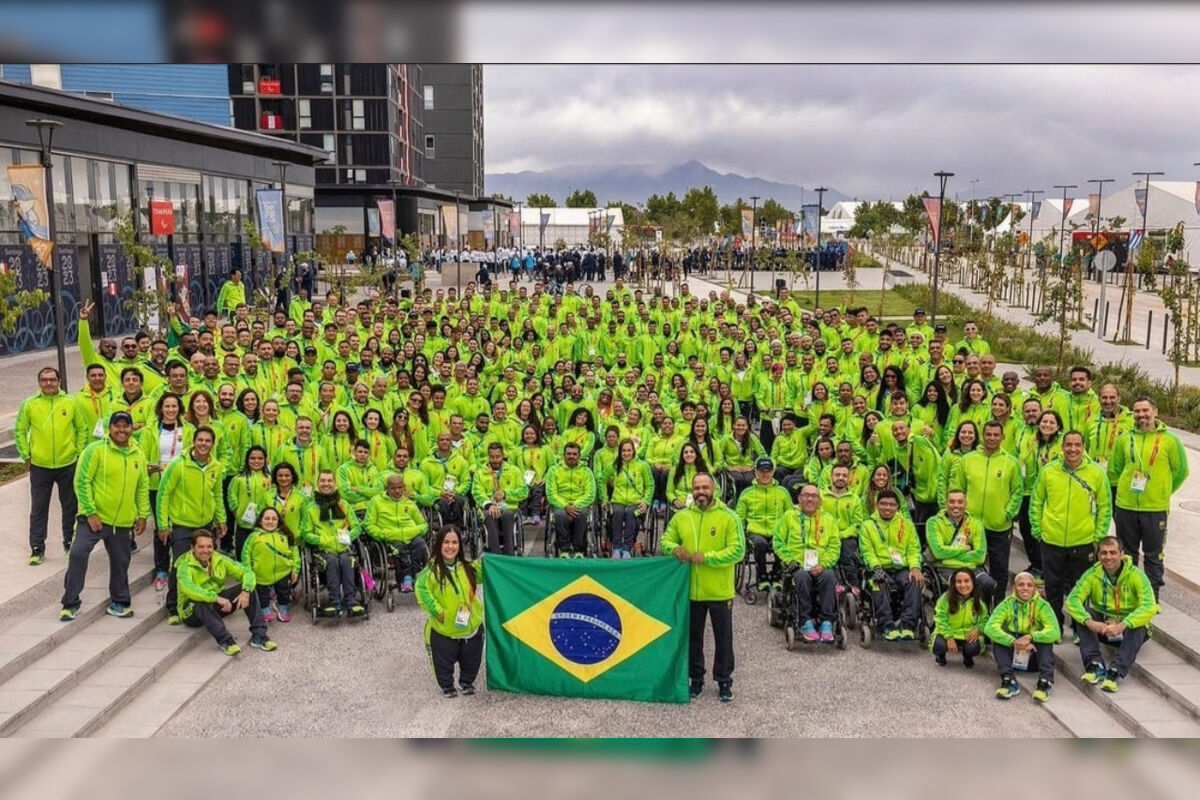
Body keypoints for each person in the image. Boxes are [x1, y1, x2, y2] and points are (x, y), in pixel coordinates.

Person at [659, 472, 745, 703]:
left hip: (719, 590)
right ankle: (695, 679)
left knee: (723, 638)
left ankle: (724, 681)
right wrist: (673, 549)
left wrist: (707, 557)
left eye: (705, 487)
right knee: (693, 638)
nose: (701, 492)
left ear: (714, 489)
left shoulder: (729, 517)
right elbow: (665, 540)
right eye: (697, 488)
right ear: (691, 490)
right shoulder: (682, 517)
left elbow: (737, 551)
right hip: (691, 591)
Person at [59, 412, 149, 621]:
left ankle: (119, 602)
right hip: (93, 519)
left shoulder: (138, 453)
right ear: (109, 428)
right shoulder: (95, 450)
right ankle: (70, 602)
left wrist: (143, 514)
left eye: (125, 426)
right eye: (116, 426)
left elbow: (142, 486)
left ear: (131, 428)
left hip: (122, 522)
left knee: (121, 562)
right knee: (78, 554)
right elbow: (82, 482)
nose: (121, 430)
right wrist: (90, 512)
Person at [1107, 396, 1188, 599]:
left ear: (1155, 412)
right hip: (1126, 506)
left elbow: (1181, 471)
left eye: (1145, 411)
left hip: (1155, 508)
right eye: (1137, 411)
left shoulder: (1170, 440)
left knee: (1153, 554)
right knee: (1127, 553)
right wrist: (1124, 491)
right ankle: (1129, 593)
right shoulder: (1124, 438)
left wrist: (1163, 490)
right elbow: (1114, 469)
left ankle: (1152, 595)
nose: (1141, 415)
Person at [1030, 430, 1112, 629]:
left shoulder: (1096, 472)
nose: (1072, 449)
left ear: (1083, 447)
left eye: (1077, 445)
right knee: (1053, 585)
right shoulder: (1049, 470)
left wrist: (1098, 536)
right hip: (1052, 539)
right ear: (1062, 446)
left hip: (1083, 541)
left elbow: (1105, 506)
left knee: (1080, 587)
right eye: (1069, 445)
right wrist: (1038, 529)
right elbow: (1037, 501)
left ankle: (1079, 627)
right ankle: (1054, 623)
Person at [1066, 536, 1160, 693]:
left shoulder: (1136, 575)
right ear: (1098, 555)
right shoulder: (1092, 573)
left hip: (1126, 629)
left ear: (1122, 554)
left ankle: (1116, 671)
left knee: (1140, 625)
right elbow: (1072, 600)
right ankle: (1095, 666)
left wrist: (1122, 625)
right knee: (1084, 615)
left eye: (1112, 553)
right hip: (1104, 627)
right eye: (1103, 553)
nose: (1108, 557)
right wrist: (1091, 622)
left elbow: (1150, 606)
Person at [157, 427, 228, 625]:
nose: (204, 444)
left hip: (206, 524)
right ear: (194, 441)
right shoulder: (178, 465)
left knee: (203, 566)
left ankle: (198, 603)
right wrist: (163, 524)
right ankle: (173, 607)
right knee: (180, 566)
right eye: (200, 440)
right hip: (182, 524)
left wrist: (221, 519)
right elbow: (163, 494)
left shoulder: (216, 466)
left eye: (208, 441)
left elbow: (218, 495)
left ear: (212, 444)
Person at [17, 367, 84, 565]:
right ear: (39, 382)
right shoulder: (29, 404)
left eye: (52, 379)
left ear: (59, 381)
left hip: (67, 464)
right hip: (40, 466)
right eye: (44, 380)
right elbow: (20, 430)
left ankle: (69, 541)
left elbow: (82, 429)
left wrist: (78, 452)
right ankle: (37, 547)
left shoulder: (71, 402)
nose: (49, 383)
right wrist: (26, 453)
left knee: (70, 506)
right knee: (39, 508)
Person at [948, 420, 1022, 597]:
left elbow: (1017, 491)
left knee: (999, 569)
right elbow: (957, 487)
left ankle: (996, 607)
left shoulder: (1010, 463)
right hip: (970, 525)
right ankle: (971, 605)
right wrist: (961, 514)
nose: (992, 438)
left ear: (1002, 437)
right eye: (988, 434)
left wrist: (1008, 514)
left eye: (996, 435)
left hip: (999, 526)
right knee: (968, 568)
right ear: (982, 435)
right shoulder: (968, 460)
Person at [175, 529, 276, 655]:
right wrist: (216, 598)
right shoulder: (184, 566)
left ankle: (259, 636)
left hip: (217, 603)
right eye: (201, 547)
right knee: (200, 601)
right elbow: (191, 590)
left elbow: (247, 572)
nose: (205, 551)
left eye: (209, 546)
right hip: (191, 612)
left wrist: (245, 591)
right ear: (192, 547)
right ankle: (226, 641)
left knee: (248, 588)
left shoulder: (219, 559)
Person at [415, 525, 484, 698]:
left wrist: (489, 562)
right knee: (443, 662)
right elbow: (421, 589)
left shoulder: (467, 568)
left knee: (472, 659)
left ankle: (466, 682)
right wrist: (438, 612)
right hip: (444, 629)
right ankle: (447, 685)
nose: (450, 546)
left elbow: (486, 573)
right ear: (439, 544)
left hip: (471, 625)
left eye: (455, 542)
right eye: (446, 542)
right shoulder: (431, 571)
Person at [773, 484, 841, 643]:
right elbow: (778, 542)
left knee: (830, 576)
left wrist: (824, 564)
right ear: (799, 499)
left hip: (821, 565)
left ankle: (827, 622)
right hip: (798, 566)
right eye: (806, 495)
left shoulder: (829, 520)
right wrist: (791, 561)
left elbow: (834, 546)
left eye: (814, 496)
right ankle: (805, 621)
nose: (810, 499)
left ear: (819, 500)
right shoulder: (789, 517)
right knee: (802, 576)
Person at [984, 571, 1061, 703]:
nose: (1025, 588)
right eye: (1021, 584)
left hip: (1033, 656)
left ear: (1034, 588)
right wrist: (1013, 641)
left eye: (1029, 585)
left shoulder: (1043, 605)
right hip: (1013, 655)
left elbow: (1055, 632)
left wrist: (1031, 637)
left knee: (1046, 641)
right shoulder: (1006, 604)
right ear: (1014, 588)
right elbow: (989, 628)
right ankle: (1008, 681)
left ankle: (1045, 682)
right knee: (999, 640)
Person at [858, 489, 923, 640]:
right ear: (877, 505)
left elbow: (914, 549)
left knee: (914, 580)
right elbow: (867, 552)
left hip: (901, 568)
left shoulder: (907, 525)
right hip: (879, 567)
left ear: (897, 507)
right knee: (878, 581)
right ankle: (886, 625)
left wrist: (915, 567)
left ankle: (907, 624)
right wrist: (876, 567)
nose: (887, 508)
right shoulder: (868, 525)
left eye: (892, 505)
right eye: (883, 504)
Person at [304, 470, 364, 617]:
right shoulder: (311, 508)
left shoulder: (344, 505)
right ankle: (335, 602)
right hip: (324, 550)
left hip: (344, 548)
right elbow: (306, 533)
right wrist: (322, 540)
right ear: (318, 484)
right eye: (323, 480)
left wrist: (349, 536)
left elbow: (356, 527)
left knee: (347, 560)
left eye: (329, 481)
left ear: (335, 484)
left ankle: (350, 600)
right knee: (331, 561)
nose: (326, 484)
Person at [924, 489, 998, 603]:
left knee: (988, 583)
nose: (956, 505)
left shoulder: (976, 524)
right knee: (960, 586)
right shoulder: (933, 523)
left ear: (965, 504)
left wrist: (947, 555)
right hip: (946, 569)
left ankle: (985, 617)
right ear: (946, 503)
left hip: (971, 568)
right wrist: (964, 549)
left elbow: (980, 556)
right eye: (952, 502)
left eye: (960, 502)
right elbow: (938, 552)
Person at [364, 474, 430, 593]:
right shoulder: (376, 502)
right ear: (386, 488)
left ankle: (415, 574)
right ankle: (405, 578)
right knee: (398, 549)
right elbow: (369, 525)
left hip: (410, 534)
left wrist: (411, 531)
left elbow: (423, 524)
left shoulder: (409, 503)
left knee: (420, 544)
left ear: (404, 487)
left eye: (400, 487)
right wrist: (383, 534)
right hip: (390, 536)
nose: (397, 491)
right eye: (393, 488)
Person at [735, 457, 791, 591]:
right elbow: (739, 517)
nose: (765, 474)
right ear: (756, 472)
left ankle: (777, 575)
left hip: (777, 531)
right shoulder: (747, 493)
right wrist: (740, 534)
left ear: (773, 472)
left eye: (768, 471)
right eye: (761, 471)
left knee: (780, 543)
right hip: (755, 532)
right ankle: (762, 576)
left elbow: (790, 515)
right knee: (759, 544)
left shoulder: (783, 492)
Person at [240, 506, 299, 624]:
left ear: (279, 521)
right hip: (261, 574)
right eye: (267, 519)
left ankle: (283, 607)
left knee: (284, 592)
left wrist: (295, 569)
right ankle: (265, 608)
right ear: (260, 520)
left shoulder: (285, 535)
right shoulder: (253, 537)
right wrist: (248, 572)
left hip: (283, 572)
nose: (270, 522)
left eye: (274, 519)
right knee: (262, 594)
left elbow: (294, 553)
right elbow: (245, 555)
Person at [471, 442, 528, 555]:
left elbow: (524, 491)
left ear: (503, 455)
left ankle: (509, 554)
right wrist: (489, 505)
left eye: (498, 456)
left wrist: (506, 494)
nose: (495, 460)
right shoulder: (480, 473)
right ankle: (495, 555)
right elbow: (477, 492)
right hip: (488, 509)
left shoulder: (514, 470)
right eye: (492, 457)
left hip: (508, 507)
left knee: (507, 515)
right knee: (490, 515)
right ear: (488, 456)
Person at [545, 442, 597, 557]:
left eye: (574, 454)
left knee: (582, 514)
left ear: (579, 456)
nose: (571, 456)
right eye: (568, 454)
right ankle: (565, 549)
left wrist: (575, 506)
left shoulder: (587, 471)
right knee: (559, 515)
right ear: (563, 455)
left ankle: (579, 550)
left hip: (579, 505)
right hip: (561, 505)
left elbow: (590, 494)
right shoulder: (553, 471)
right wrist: (565, 506)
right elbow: (551, 493)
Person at [604, 438, 653, 558]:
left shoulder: (642, 466)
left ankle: (627, 548)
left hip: (635, 501)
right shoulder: (614, 466)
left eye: (629, 450)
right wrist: (604, 499)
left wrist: (646, 501)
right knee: (617, 513)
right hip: (618, 500)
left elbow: (650, 485)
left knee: (631, 514)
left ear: (633, 451)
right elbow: (601, 480)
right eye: (623, 451)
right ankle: (616, 547)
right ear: (620, 452)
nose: (626, 453)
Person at [932, 568, 987, 668]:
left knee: (973, 648)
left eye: (967, 581)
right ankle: (940, 656)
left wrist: (978, 629)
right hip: (948, 633)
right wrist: (948, 637)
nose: (963, 585)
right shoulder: (945, 598)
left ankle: (967, 656)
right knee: (939, 645)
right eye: (959, 581)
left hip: (967, 635)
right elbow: (939, 618)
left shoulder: (978, 601)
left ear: (973, 582)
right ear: (954, 584)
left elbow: (985, 620)